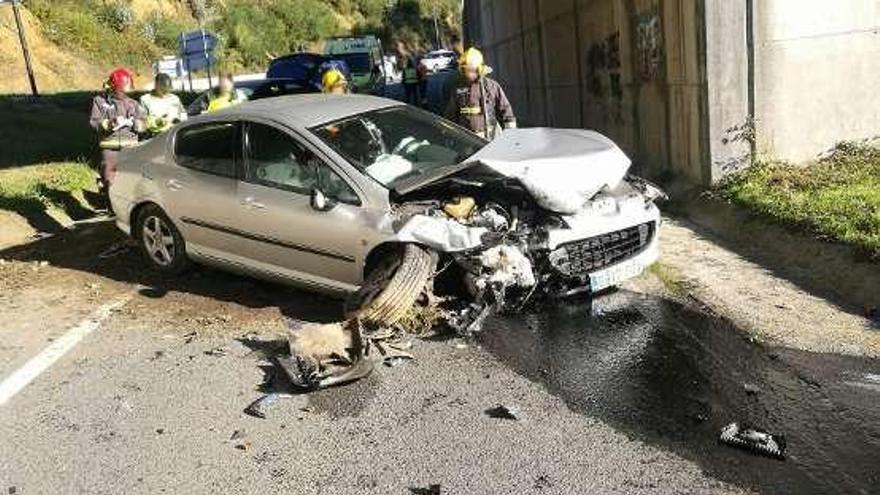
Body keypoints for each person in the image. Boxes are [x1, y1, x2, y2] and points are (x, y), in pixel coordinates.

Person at [89, 67, 146, 209]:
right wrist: (109, 123)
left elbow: (144, 123)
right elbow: (94, 122)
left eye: (127, 90)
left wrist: (140, 125)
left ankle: (132, 209)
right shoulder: (100, 102)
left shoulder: (133, 104)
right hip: (110, 149)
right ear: (114, 87)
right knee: (111, 181)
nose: (125, 93)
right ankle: (114, 210)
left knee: (133, 180)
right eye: (123, 90)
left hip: (131, 149)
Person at [444, 47, 516, 140]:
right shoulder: (458, 88)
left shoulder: (491, 86)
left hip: (490, 137)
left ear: (479, 69)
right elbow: (451, 113)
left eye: (472, 70)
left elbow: (505, 110)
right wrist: (447, 131)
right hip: (466, 138)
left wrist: (511, 133)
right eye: (467, 70)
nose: (469, 74)